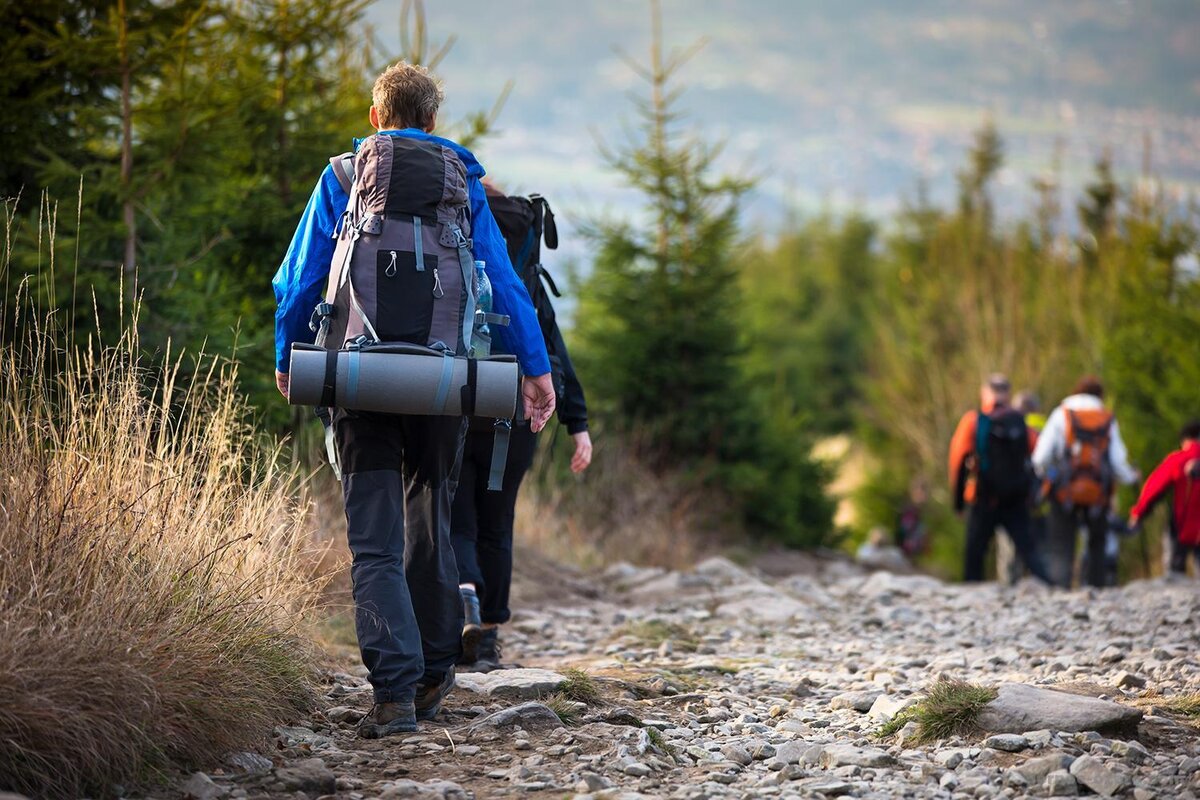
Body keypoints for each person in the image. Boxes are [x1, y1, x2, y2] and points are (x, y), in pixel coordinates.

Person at [272, 62, 556, 737]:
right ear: (432, 121)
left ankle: (393, 696)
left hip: (359, 381)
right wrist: (535, 371)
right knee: (431, 527)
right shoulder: (463, 185)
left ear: (376, 116)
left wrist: (289, 356)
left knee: (374, 539)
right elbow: (504, 284)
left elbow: (300, 278)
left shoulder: (343, 178)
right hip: (443, 382)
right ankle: (433, 675)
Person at [452, 185, 592, 672]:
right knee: (498, 520)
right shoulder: (525, 268)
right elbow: (552, 339)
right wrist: (579, 424)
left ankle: (465, 598)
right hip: (518, 401)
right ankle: (488, 639)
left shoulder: (451, 240)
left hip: (458, 394)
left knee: (456, 511)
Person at [1032, 375, 1139, 588]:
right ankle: (1094, 590)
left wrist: (1047, 475)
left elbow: (1040, 457)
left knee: (1062, 544)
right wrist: (1131, 477)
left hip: (1064, 490)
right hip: (1098, 492)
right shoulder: (1107, 418)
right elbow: (1118, 462)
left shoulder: (1061, 414)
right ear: (1100, 395)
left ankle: (1061, 590)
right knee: (1097, 543)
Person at [948, 373, 1051, 583]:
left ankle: (971, 594)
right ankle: (1048, 589)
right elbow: (1041, 457)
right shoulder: (1021, 422)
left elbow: (958, 461)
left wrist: (958, 503)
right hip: (1015, 498)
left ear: (984, 393)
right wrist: (1038, 492)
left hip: (982, 498)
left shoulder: (974, 420)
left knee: (975, 553)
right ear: (1007, 394)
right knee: (1029, 551)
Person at [1129, 419, 1200, 576]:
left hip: (1181, 526)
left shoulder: (1179, 459)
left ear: (1185, 439)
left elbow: (1154, 489)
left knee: (1175, 576)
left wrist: (1139, 513)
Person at [995, 392, 1046, 584]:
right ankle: (1040, 586)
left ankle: (1009, 586)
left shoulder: (1009, 425)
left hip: (1013, 496)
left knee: (1009, 548)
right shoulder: (1047, 426)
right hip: (1041, 499)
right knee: (1039, 547)